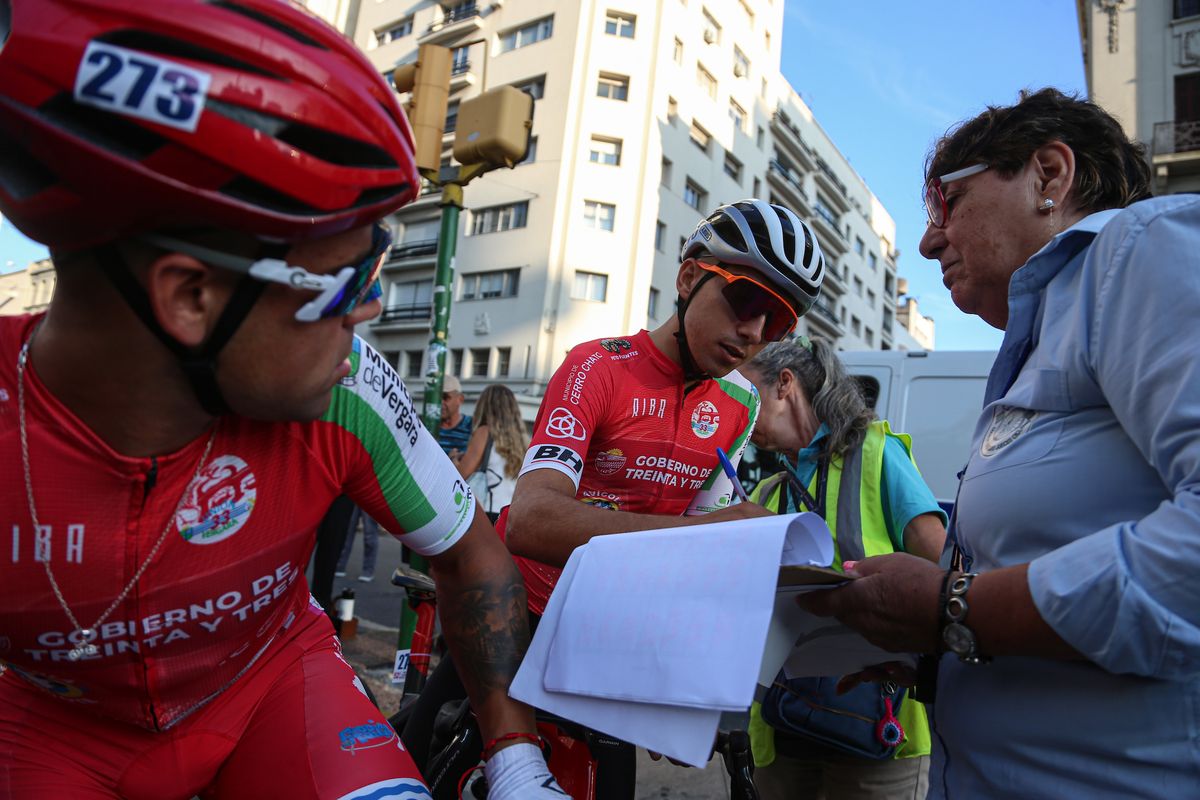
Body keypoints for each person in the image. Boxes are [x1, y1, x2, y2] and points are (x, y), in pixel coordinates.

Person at [0, 2, 562, 798]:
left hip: (271, 691)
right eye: (349, 279)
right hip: (52, 732)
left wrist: (515, 763)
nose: (370, 309)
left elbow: (472, 552)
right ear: (192, 297)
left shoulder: (349, 385)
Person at [800, 88, 1200, 798]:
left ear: (1049, 175)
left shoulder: (1135, 253)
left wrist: (954, 610)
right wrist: (939, 655)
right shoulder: (1041, 340)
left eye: (946, 202)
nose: (928, 240)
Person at [401, 199, 828, 789]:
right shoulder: (596, 367)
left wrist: (689, 685)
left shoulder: (740, 404)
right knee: (414, 768)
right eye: (744, 301)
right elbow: (530, 520)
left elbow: (690, 557)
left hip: (610, 637)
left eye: (777, 322)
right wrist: (709, 536)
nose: (754, 332)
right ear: (687, 277)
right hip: (517, 622)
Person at [739, 337, 946, 800]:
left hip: (878, 722)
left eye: (744, 396)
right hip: (784, 728)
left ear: (785, 385)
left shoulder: (875, 452)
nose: (737, 416)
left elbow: (941, 567)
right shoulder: (769, 492)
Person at [455, 384, 529, 521]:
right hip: (511, 513)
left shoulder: (484, 432)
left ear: (484, 407)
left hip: (487, 510)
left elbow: (461, 474)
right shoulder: (522, 442)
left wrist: (454, 460)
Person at [336, 504, 382, 583]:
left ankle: (368, 570)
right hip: (352, 496)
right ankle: (340, 566)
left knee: (370, 534)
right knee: (347, 532)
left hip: (369, 496)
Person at [437, 374, 472, 460]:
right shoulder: (425, 426)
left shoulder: (472, 426)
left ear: (460, 399)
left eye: (445, 397)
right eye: (436, 397)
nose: (440, 402)